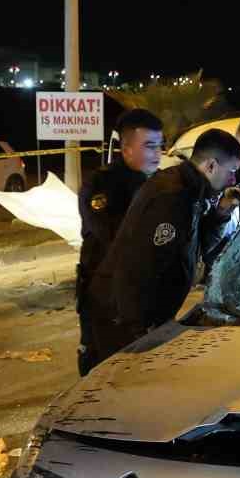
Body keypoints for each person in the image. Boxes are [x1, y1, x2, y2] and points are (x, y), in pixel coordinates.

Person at [86, 128, 240, 368]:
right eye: (231, 171)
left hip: (139, 316)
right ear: (211, 166)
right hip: (124, 320)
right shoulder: (173, 197)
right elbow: (142, 266)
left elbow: (198, 245)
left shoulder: (189, 190)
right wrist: (141, 327)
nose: (233, 179)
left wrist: (221, 212)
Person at [76, 108, 164, 375]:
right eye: (149, 146)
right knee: (102, 368)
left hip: (142, 293)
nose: (157, 153)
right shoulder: (102, 185)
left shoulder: (157, 184)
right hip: (106, 293)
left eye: (160, 146)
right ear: (126, 148)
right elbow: (115, 238)